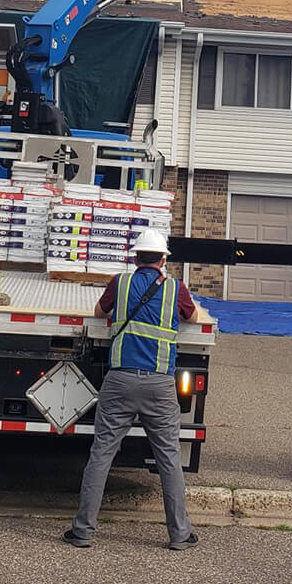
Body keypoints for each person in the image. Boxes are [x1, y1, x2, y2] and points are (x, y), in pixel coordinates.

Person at [64, 228, 202, 550]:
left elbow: (99, 313)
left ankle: (83, 531)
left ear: (135, 257)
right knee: (169, 457)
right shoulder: (174, 289)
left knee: (101, 454)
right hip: (159, 384)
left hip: (119, 381)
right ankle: (180, 535)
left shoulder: (120, 283)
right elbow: (193, 318)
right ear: (164, 258)